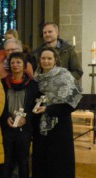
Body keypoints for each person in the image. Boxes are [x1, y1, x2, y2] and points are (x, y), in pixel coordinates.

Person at [32, 47, 82, 178]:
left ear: (55, 60)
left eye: (49, 58)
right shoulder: (37, 77)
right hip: (40, 126)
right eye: (43, 58)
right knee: (41, 162)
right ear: (39, 60)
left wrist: (49, 109)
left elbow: (75, 102)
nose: (46, 61)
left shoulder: (64, 75)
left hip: (60, 126)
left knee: (59, 164)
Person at [0, 52, 40, 178]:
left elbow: (36, 106)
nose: (15, 65)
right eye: (12, 62)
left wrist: (26, 117)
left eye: (18, 62)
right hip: (7, 127)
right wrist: (6, 117)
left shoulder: (32, 85)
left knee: (23, 161)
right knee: (6, 161)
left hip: (24, 129)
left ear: (24, 66)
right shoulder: (2, 84)